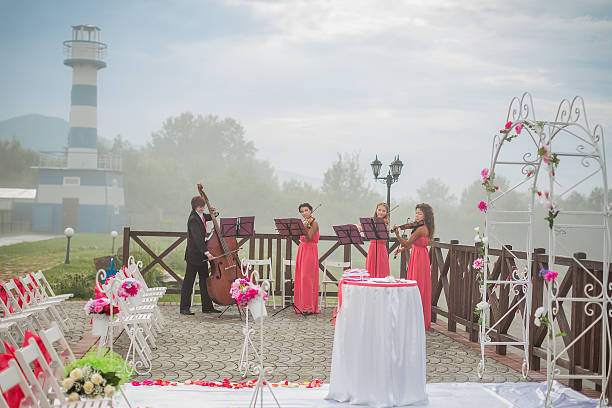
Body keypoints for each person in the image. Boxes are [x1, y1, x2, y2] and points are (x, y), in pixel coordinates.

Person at [393, 203, 434, 330]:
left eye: (420, 213)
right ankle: (416, 318)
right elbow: (411, 245)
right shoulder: (423, 227)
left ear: (425, 215)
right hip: (419, 255)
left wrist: (397, 234)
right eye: (416, 213)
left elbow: (407, 242)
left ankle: (416, 319)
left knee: (417, 286)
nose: (416, 216)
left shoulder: (421, 229)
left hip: (419, 259)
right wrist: (402, 250)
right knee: (418, 285)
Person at [180, 196, 221, 315]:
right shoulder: (193, 219)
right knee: (189, 281)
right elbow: (198, 239)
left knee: (205, 281)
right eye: (201, 207)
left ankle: (207, 307)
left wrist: (215, 213)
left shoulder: (200, 215)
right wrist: (207, 253)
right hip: (193, 256)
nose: (203, 208)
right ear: (195, 207)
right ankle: (184, 308)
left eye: (203, 206)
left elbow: (207, 217)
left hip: (201, 256)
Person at [294, 203, 320, 316]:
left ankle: (309, 307)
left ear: (311, 211)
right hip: (302, 249)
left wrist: (304, 228)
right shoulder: (304, 223)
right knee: (300, 277)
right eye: (302, 211)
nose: (304, 213)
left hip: (310, 250)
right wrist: (301, 227)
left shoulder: (314, 223)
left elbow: (309, 238)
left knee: (307, 277)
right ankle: (300, 305)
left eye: (306, 210)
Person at [357, 203, 390, 278]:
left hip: (381, 249)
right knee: (371, 270)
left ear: (386, 213)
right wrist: (358, 227)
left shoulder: (386, 224)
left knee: (381, 271)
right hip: (372, 247)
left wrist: (382, 228)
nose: (381, 212)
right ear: (376, 210)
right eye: (379, 210)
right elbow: (361, 227)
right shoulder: (371, 222)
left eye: (383, 211)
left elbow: (384, 241)